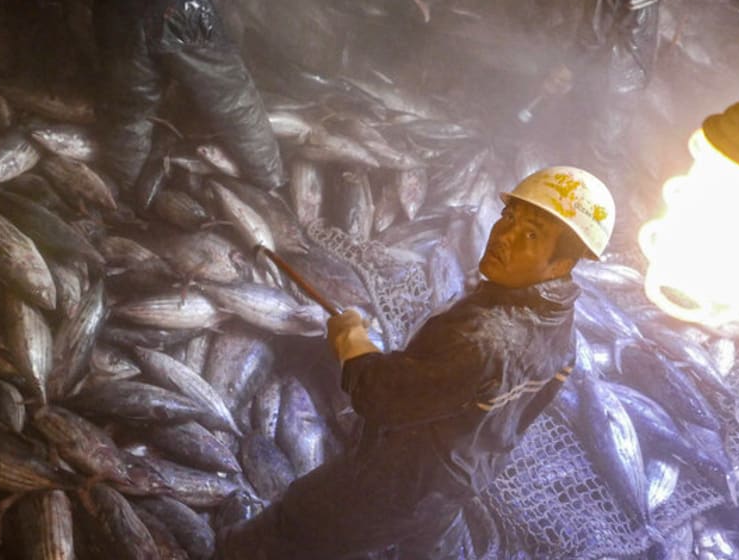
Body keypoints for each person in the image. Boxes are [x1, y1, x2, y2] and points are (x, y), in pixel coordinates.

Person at [216, 166, 616, 559]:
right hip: (465, 471)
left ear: (566, 261)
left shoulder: (485, 339)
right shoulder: (562, 330)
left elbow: (381, 399)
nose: (504, 235)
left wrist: (352, 342)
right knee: (424, 532)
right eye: (509, 217)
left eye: (531, 234)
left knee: (300, 521)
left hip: (404, 478)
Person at [92, 0, 287, 210]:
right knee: (231, 98)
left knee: (128, 110)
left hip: (117, 9)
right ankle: (271, 184)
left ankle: (124, 200)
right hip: (176, 7)